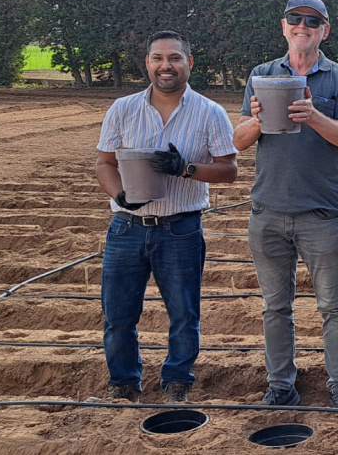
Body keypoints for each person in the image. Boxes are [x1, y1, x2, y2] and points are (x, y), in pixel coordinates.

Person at [94, 30, 238, 403]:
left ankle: (177, 383)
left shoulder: (210, 112)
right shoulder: (123, 109)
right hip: (126, 227)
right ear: (147, 64)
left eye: (174, 58)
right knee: (119, 315)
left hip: (180, 228)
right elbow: (105, 162)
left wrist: (184, 168)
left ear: (189, 63)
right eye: (158, 58)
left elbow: (229, 170)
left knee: (183, 314)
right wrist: (120, 196)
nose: (166, 66)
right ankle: (123, 384)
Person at [233, 0, 338, 409]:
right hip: (267, 211)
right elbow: (237, 141)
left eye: (312, 21)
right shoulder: (261, 75)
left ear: (324, 30)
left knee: (334, 306)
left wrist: (314, 116)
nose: (302, 26)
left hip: (320, 214)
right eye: (295, 19)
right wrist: (257, 119)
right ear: (284, 26)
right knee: (275, 307)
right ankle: (281, 386)